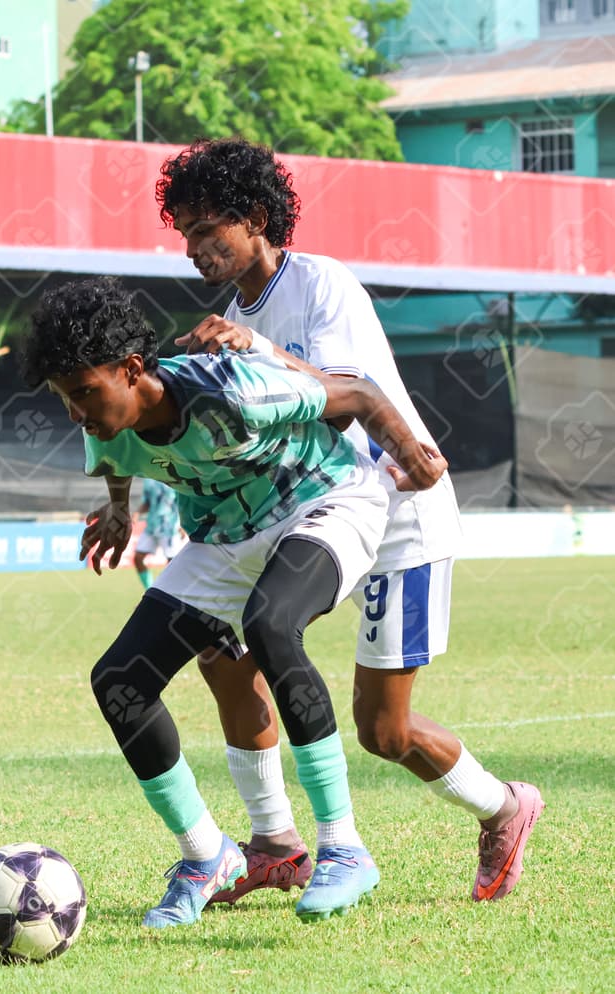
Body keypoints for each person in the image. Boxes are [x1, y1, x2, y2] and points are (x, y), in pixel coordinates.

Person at [155, 137, 544, 905]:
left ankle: (505, 806)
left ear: (257, 218)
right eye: (186, 235)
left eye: (210, 230)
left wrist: (255, 349)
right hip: (312, 515)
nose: (196, 249)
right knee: (222, 646)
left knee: (383, 733)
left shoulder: (320, 284)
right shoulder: (229, 319)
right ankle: (275, 844)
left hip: (398, 516)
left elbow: (347, 392)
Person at [18, 276, 447, 927]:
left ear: (133, 370)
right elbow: (112, 458)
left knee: (271, 624)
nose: (76, 412)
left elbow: (356, 392)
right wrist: (114, 513)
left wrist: (409, 453)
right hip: (226, 533)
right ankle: (205, 857)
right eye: (64, 398)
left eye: (83, 393)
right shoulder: (103, 421)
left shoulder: (231, 386)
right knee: (119, 681)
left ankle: (342, 848)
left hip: (326, 499)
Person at [133, 478, 182, 588]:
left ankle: (171, 593)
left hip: (169, 528)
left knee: (172, 564)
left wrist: (183, 524)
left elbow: (183, 502)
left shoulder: (173, 476)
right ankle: (149, 590)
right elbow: (147, 503)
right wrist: (137, 513)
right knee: (138, 558)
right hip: (151, 526)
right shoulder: (148, 479)